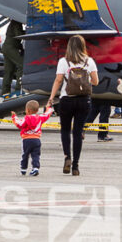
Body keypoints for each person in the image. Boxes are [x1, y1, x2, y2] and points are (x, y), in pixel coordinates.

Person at [47, 35, 99, 176]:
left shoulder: (64, 61)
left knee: (65, 130)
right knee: (78, 132)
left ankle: (67, 157)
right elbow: (95, 82)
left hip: (66, 99)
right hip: (84, 100)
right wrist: (84, 78)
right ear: (83, 46)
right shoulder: (89, 61)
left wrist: (51, 98)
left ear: (69, 46)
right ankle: (75, 166)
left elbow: (58, 81)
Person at [11, 100, 54, 176]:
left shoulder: (26, 118)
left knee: (25, 154)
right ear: (37, 110)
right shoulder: (40, 118)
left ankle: (23, 168)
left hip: (27, 140)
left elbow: (19, 124)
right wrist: (49, 107)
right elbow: (47, 114)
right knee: (36, 155)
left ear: (27, 110)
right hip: (37, 140)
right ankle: (35, 168)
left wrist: (14, 117)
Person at [1, 21, 25, 96]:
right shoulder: (16, 22)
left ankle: (5, 93)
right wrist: (29, 31)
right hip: (11, 48)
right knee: (23, 65)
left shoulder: (14, 22)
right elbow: (19, 35)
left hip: (7, 47)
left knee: (9, 71)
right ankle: (18, 89)